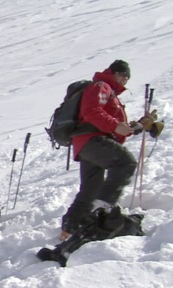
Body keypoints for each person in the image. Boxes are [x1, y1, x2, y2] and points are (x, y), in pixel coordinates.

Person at [60, 60, 158, 240]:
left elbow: (117, 128)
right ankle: (100, 214)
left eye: (128, 78)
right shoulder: (101, 86)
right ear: (113, 73)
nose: (125, 80)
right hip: (93, 140)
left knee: (91, 188)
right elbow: (92, 112)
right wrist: (115, 125)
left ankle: (70, 227)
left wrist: (139, 126)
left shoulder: (109, 93)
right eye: (122, 75)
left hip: (88, 144)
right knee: (125, 163)